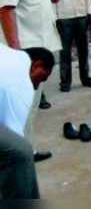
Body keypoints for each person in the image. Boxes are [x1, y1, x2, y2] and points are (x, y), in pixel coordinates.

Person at [0, 0, 61, 162]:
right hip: (25, 54)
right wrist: (17, 55)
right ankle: (15, 155)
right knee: (18, 109)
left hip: (39, 51)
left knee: (29, 107)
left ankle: (26, 150)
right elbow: (5, 9)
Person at [0, 45, 54, 199]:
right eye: (42, 78)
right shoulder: (22, 85)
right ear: (36, 65)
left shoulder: (7, 52)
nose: (38, 86)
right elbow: (14, 138)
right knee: (20, 152)